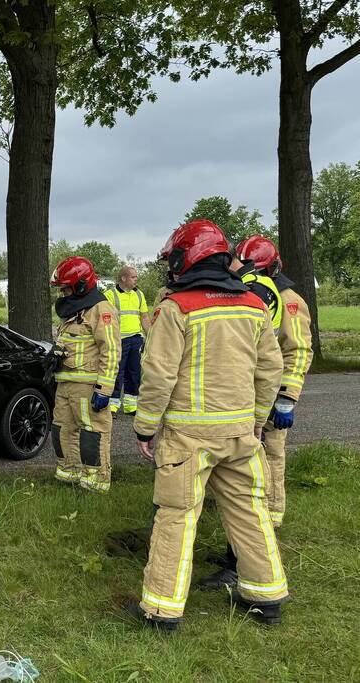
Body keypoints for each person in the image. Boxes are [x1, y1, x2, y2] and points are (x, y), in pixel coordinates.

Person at [127, 220, 286, 630]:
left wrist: (145, 427)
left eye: (175, 259)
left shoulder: (177, 308)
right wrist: (256, 421)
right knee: (251, 513)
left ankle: (162, 610)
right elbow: (270, 368)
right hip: (240, 435)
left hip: (188, 438)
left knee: (176, 516)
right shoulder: (252, 303)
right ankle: (266, 598)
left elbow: (159, 374)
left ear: (189, 259)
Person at [198, 235, 313, 589]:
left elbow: (297, 352)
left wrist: (286, 399)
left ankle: (255, 549)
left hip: (271, 402)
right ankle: (240, 549)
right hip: (245, 400)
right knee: (244, 477)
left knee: (266, 467)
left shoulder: (290, 302)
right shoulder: (249, 297)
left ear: (273, 268)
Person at [50, 256, 120, 493]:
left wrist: (104, 389)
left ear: (81, 285)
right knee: (61, 429)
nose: (63, 293)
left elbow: (111, 351)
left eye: (66, 288)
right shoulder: (74, 309)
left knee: (92, 432)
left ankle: (97, 480)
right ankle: (69, 474)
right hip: (65, 383)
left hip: (88, 386)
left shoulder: (101, 309)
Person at [104, 266, 151, 415]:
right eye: (133, 277)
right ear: (123, 278)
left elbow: (144, 317)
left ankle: (131, 406)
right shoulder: (110, 295)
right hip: (119, 340)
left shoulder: (139, 294)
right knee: (117, 373)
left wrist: (150, 336)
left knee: (134, 373)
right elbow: (105, 319)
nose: (136, 279)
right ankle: (112, 406)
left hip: (136, 339)